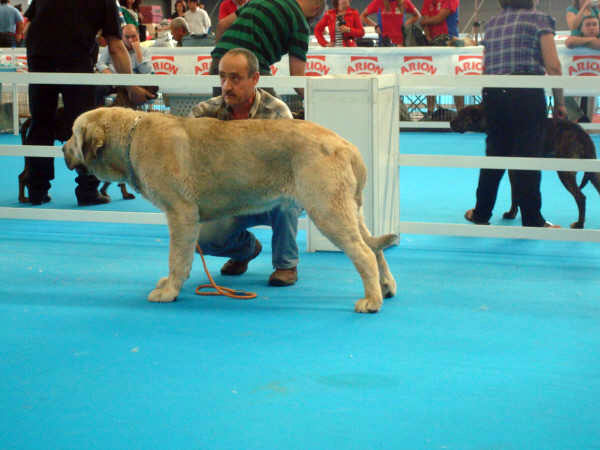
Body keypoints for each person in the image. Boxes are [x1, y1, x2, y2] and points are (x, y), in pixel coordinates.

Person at [24, 0, 154, 206]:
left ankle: (36, 190)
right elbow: (116, 46)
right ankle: (87, 191)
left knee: (40, 123)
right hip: (75, 62)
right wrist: (131, 85)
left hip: (40, 58)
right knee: (83, 127)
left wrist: (36, 56)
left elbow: (28, 27)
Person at [189, 48, 300, 287]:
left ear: (255, 79)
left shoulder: (277, 112)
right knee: (201, 239)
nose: (226, 86)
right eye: (222, 77)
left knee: (288, 197)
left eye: (235, 78)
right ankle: (245, 251)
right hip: (229, 197)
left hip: (272, 192)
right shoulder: (203, 113)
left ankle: (286, 264)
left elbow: (290, 169)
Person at [464, 0, 567, 228]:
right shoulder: (540, 19)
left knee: (495, 155)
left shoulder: (492, 23)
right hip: (526, 93)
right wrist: (560, 101)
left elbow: (485, 68)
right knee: (527, 157)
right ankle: (533, 219)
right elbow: (553, 65)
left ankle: (481, 214)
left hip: (494, 94)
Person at [212, 0, 324, 98]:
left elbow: (222, 24)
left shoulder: (261, 1)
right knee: (277, 115)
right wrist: (314, 103)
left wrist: (222, 59)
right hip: (248, 68)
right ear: (316, 8)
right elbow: (297, 78)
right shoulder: (300, 24)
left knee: (220, 118)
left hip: (220, 64)